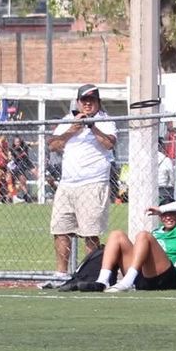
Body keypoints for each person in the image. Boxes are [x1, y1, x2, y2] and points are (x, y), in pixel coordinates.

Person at [48, 83, 117, 277]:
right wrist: (73, 129)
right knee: (61, 228)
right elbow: (53, 145)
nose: (88, 104)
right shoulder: (68, 120)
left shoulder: (105, 120)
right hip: (67, 183)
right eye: (84, 100)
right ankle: (61, 274)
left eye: (91, 100)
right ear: (78, 102)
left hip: (93, 183)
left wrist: (92, 126)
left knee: (89, 231)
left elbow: (109, 144)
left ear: (98, 102)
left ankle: (88, 273)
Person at [99, 199, 176, 292]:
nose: (168, 217)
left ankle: (127, 281)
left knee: (143, 235)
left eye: (172, 213)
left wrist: (161, 209)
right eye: (164, 214)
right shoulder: (156, 232)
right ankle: (102, 281)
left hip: (169, 278)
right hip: (144, 275)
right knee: (116, 235)